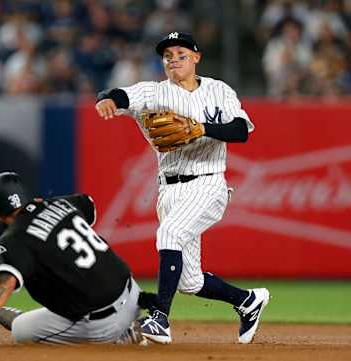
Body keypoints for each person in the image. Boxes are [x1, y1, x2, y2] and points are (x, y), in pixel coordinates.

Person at [95, 32, 270, 345]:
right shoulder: (154, 92)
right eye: (167, 55)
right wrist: (106, 99)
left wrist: (202, 128)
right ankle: (248, 301)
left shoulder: (219, 90)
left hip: (209, 182)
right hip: (169, 189)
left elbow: (241, 130)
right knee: (190, 281)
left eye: (181, 53)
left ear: (196, 57)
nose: (173, 59)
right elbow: (118, 94)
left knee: (169, 235)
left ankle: (159, 317)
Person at [0, 172, 149, 348]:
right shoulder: (59, 204)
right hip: (134, 296)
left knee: (21, 330)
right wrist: (50, 206)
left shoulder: (14, 238)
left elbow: (4, 282)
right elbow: (89, 204)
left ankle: (121, 337)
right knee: (53, 270)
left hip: (102, 324)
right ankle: (135, 324)